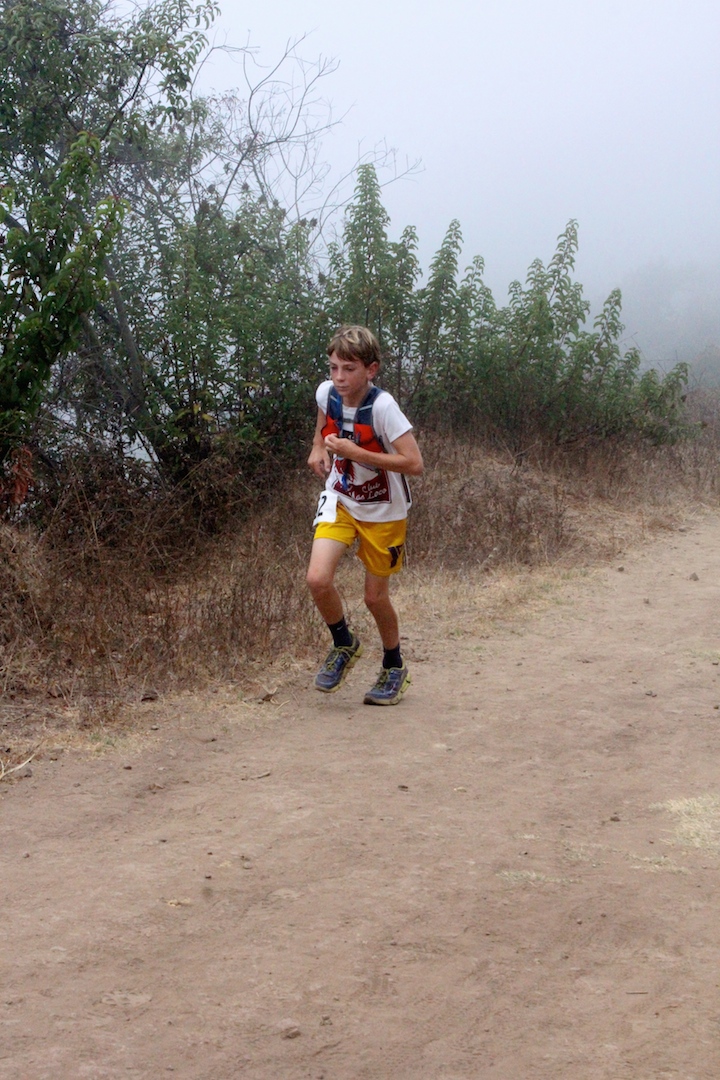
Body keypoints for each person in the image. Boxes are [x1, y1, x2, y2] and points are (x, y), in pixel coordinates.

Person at [306, 325, 423, 705]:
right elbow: (323, 420)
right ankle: (344, 643)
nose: (339, 377)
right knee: (317, 579)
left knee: (374, 598)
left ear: (371, 370)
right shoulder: (327, 392)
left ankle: (393, 665)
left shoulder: (384, 408)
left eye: (349, 369)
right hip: (340, 498)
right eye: (333, 368)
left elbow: (414, 463)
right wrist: (318, 448)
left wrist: (356, 454)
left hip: (384, 511)